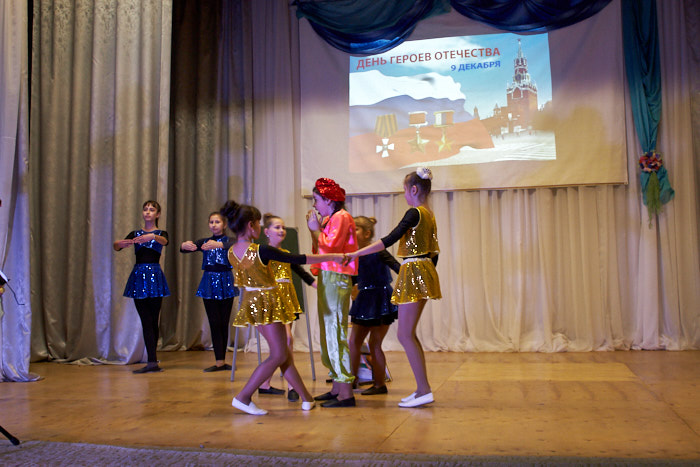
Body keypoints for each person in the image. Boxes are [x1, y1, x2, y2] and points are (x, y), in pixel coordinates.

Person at [220, 200, 342, 415]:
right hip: (267, 302)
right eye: (258, 223)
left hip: (251, 303)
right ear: (251, 225)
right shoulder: (261, 250)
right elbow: (298, 259)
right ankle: (243, 396)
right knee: (278, 355)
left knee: (283, 353)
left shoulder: (231, 251)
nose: (260, 228)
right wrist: (332, 256)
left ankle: (306, 398)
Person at [345, 168, 441, 408]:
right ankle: (421, 389)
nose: (405, 194)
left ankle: (424, 390)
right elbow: (435, 252)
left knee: (405, 335)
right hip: (422, 270)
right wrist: (427, 273)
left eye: (405, 190)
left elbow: (389, 239)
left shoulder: (415, 212)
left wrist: (356, 253)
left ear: (414, 189)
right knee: (408, 334)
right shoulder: (429, 214)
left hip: (415, 270)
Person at [306, 178, 358, 408]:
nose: (314, 204)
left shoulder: (342, 217)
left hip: (337, 278)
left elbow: (330, 247)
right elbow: (320, 249)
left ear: (328, 200)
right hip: (329, 277)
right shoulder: (331, 219)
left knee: (335, 331)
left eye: (316, 199)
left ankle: (346, 392)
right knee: (329, 331)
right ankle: (337, 386)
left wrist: (315, 230)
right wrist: (316, 229)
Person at [257, 213, 317, 402]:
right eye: (277, 227)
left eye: (283, 227)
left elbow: (299, 270)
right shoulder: (262, 252)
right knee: (286, 340)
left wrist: (314, 283)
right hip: (272, 301)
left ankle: (265, 384)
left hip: (287, 300)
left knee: (282, 344)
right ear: (266, 232)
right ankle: (291, 385)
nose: (281, 230)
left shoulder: (286, 253)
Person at [114, 200, 170, 374]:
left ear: (157, 214)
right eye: (145, 209)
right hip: (139, 277)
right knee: (146, 319)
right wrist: (119, 244)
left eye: (151, 210)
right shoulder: (135, 233)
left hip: (155, 276)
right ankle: (151, 361)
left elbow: (165, 241)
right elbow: (117, 246)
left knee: (153, 320)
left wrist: (152, 237)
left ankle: (152, 360)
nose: (147, 212)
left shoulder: (160, 233)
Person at [180, 211, 239, 372]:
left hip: (226, 281)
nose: (214, 225)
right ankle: (219, 361)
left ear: (224, 225)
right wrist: (184, 245)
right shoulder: (205, 242)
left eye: (217, 222)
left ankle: (223, 360)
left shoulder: (229, 240)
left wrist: (219, 245)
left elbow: (238, 245)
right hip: (209, 283)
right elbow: (185, 249)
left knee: (223, 322)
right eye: (211, 222)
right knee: (214, 322)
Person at [348, 216, 400, 396]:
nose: (351, 233)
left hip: (378, 299)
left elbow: (397, 267)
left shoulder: (378, 250)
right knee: (357, 342)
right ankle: (355, 382)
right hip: (366, 299)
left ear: (367, 233)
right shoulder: (353, 254)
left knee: (371, 343)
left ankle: (375, 384)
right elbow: (353, 279)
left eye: (355, 229)